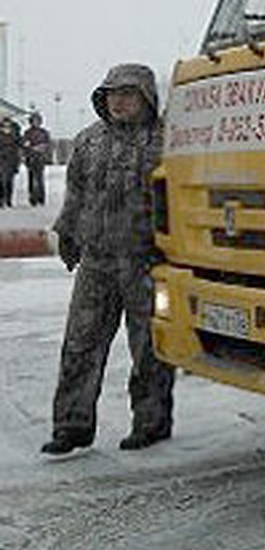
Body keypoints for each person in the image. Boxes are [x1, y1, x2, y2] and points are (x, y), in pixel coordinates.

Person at [41, 64, 175, 456]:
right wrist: (68, 234)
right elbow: (77, 194)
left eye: (127, 94)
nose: (118, 101)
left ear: (146, 98)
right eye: (112, 93)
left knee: (149, 348)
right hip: (97, 263)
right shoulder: (88, 142)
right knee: (80, 345)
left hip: (145, 261)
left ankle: (151, 422)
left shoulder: (166, 142)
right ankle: (71, 426)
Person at [21, 111, 52, 207]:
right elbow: (25, 145)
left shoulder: (44, 132)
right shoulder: (27, 133)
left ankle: (41, 198)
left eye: (38, 120)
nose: (36, 122)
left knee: (40, 179)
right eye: (34, 120)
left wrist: (43, 149)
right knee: (31, 179)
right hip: (30, 158)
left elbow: (48, 145)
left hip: (40, 158)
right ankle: (32, 198)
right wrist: (30, 148)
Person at [0, 117, 20, 208]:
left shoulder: (14, 136)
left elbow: (17, 148)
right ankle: (1, 200)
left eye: (8, 125)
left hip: (11, 161)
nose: (6, 127)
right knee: (1, 182)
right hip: (1, 160)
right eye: (5, 125)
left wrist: (16, 164)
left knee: (9, 182)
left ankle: (8, 200)